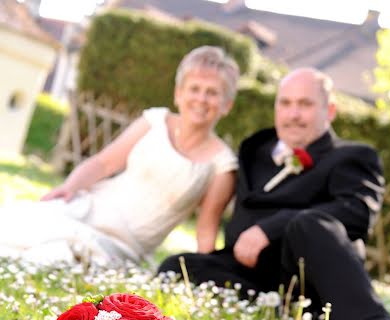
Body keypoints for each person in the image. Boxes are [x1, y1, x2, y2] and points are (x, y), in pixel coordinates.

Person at [159, 67, 390, 320]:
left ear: (330, 110)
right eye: (285, 103)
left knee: (307, 223)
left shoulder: (353, 156)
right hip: (255, 275)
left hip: (314, 277)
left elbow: (357, 213)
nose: (293, 114)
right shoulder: (255, 149)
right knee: (176, 265)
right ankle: (273, 310)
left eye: (305, 104)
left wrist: (270, 228)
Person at [0, 46, 239, 266]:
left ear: (227, 105)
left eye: (212, 93)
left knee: (54, 256)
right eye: (194, 89)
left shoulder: (222, 164)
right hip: (91, 206)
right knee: (23, 223)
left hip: (121, 245)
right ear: (178, 93)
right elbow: (104, 163)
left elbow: (207, 228)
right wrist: (69, 187)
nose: (201, 99)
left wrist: (205, 275)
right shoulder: (154, 122)